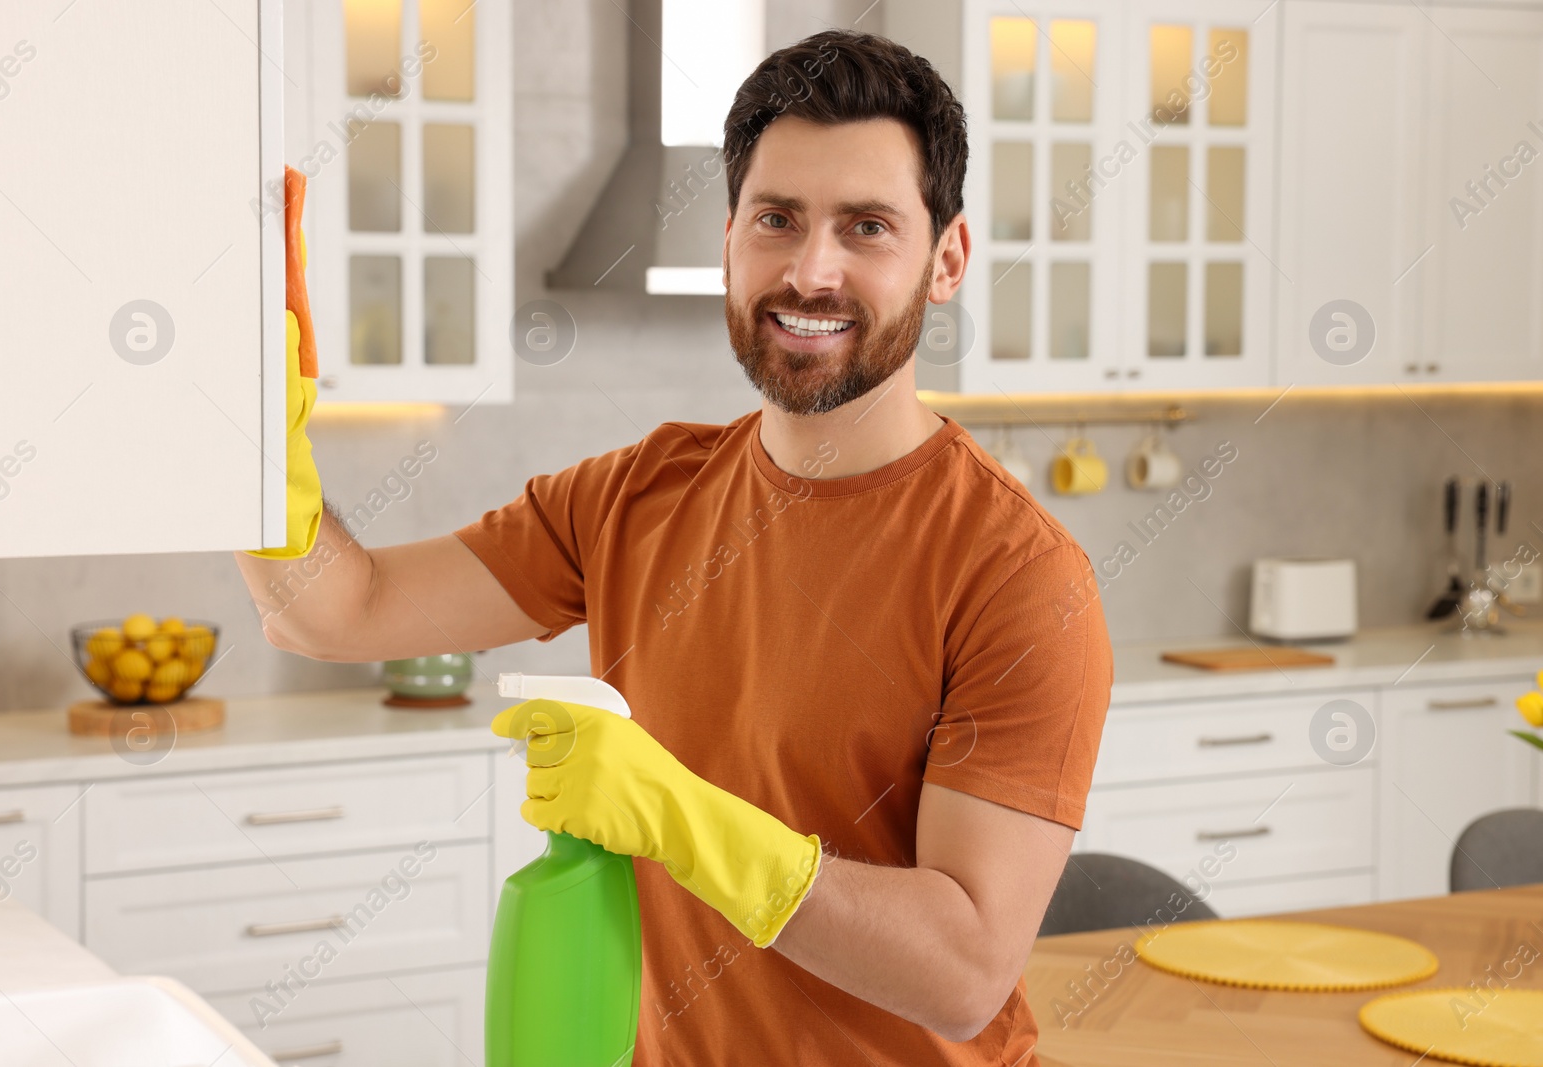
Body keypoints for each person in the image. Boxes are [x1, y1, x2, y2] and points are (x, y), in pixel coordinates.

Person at [236, 28, 1112, 1067]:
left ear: (946, 258)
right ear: (729, 239)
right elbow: (337, 609)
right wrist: (248, 429)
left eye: (866, 226)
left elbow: (963, 973)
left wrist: (676, 814)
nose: (810, 270)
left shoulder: (1016, 574)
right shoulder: (637, 496)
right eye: (775, 219)